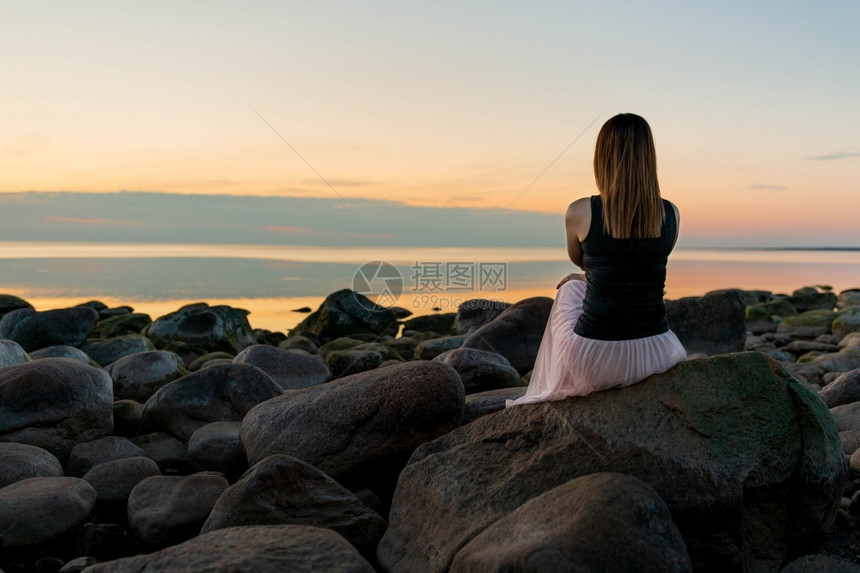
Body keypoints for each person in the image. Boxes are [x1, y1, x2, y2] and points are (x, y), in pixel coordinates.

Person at [506, 113, 686, 406]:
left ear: (602, 156)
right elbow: (639, 266)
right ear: (648, 157)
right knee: (580, 282)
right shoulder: (672, 214)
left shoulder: (580, 211)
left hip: (594, 359)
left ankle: (554, 383)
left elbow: (580, 261)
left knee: (569, 287)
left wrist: (585, 276)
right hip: (658, 351)